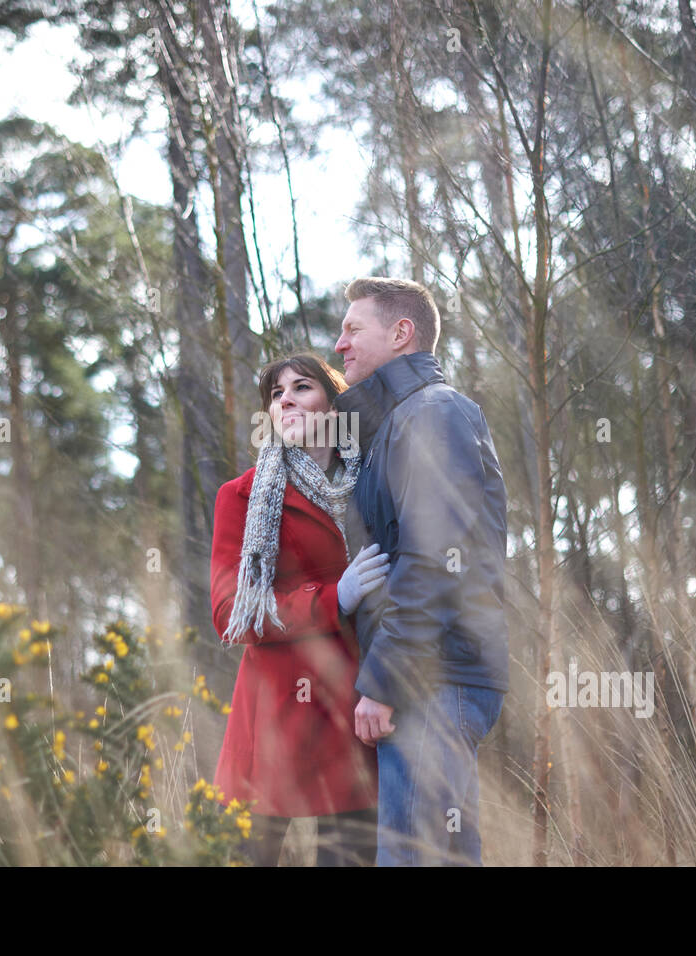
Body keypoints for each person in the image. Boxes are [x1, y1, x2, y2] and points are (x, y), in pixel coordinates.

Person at [331, 276, 510, 866]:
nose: (340, 345)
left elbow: (433, 560)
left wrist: (385, 682)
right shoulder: (398, 424)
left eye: (353, 328)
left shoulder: (433, 414)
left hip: (432, 682)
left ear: (402, 332)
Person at [210, 352, 390, 866]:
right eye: (275, 393)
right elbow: (231, 613)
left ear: (335, 406)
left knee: (350, 857)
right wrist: (337, 597)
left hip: (351, 708)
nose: (285, 398)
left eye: (301, 387)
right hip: (271, 720)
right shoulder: (242, 496)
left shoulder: (373, 488)